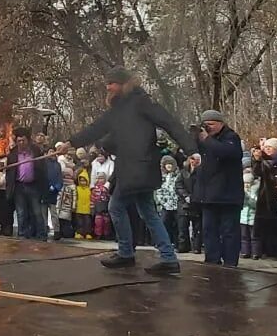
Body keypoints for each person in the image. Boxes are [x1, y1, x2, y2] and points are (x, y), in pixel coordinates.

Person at [66, 68, 199, 274]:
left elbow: (170, 123)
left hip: (138, 167)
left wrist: (191, 149)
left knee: (116, 207)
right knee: (148, 211)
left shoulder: (141, 102)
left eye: (112, 83)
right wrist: (71, 142)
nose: (108, 87)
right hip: (134, 168)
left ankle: (127, 252)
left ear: (123, 84)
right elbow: (97, 128)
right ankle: (167, 257)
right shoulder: (118, 109)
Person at [192, 109, 245, 267]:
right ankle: (212, 260)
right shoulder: (203, 141)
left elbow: (226, 152)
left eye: (211, 124)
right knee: (209, 231)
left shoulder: (231, 137)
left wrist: (207, 139)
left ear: (221, 123)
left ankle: (230, 262)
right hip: (208, 195)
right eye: (205, 125)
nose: (208, 128)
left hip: (228, 195)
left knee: (229, 232)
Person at [7, 126, 48, 240]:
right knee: (21, 212)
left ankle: (41, 234)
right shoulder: (13, 153)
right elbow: (9, 172)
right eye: (19, 141)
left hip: (33, 186)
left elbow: (42, 169)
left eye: (23, 140)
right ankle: (22, 234)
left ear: (28, 140)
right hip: (19, 186)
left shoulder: (35, 151)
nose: (21, 143)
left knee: (37, 212)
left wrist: (43, 187)